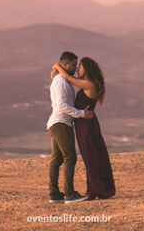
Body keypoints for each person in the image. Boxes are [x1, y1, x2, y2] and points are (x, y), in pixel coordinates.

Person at [51, 56, 116, 200]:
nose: (78, 69)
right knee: (90, 156)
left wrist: (57, 66)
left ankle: (95, 190)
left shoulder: (88, 84)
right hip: (82, 124)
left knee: (91, 156)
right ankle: (96, 188)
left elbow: (68, 76)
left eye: (79, 67)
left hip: (87, 124)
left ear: (86, 69)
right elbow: (68, 76)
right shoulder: (86, 83)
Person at [47, 51, 94, 204]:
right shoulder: (61, 81)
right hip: (61, 123)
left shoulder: (62, 79)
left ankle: (54, 194)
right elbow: (61, 106)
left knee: (57, 159)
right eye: (73, 65)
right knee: (69, 157)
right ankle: (69, 193)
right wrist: (82, 114)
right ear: (65, 64)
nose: (75, 68)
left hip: (57, 123)